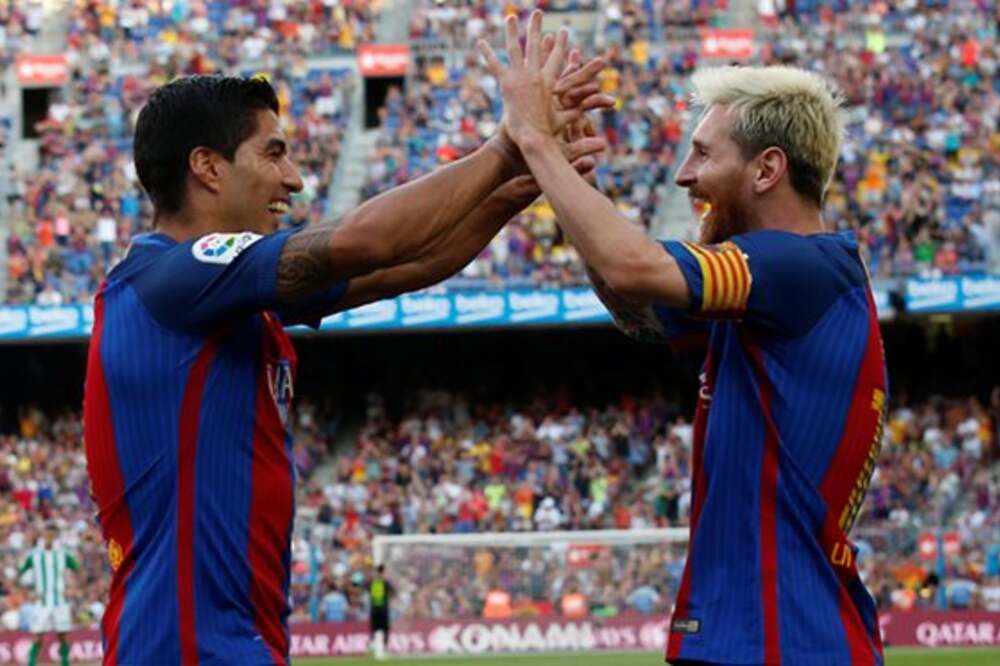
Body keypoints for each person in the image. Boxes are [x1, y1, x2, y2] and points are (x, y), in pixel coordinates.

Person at [83, 69, 611, 664]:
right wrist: (507, 146)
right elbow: (365, 240)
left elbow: (410, 264)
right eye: (273, 154)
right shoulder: (172, 277)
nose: (294, 178)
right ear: (207, 167)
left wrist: (521, 184)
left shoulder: (222, 295)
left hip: (222, 643)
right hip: (183, 648)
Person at [481, 11, 888, 665]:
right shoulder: (774, 293)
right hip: (755, 634)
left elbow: (633, 266)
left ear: (767, 169)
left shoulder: (802, 266)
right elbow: (634, 305)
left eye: (702, 153)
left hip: (785, 639)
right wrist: (576, 181)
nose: (682, 175)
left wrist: (534, 138)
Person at [19, 525, 80, 666]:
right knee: (37, 635)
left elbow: (77, 568)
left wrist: (73, 587)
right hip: (41, 602)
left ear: (56, 537)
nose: (49, 538)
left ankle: (65, 663)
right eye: (47, 535)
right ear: (43, 536)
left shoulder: (63, 554)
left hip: (60, 601)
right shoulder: (34, 555)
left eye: (52, 535)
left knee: (63, 635)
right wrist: (28, 593)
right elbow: (21, 572)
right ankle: (31, 663)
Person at [368, 565, 393, 659]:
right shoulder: (385, 583)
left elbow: (363, 588)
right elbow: (392, 591)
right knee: (385, 629)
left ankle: (374, 645)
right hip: (383, 610)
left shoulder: (372, 583)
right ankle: (383, 649)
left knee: (374, 629)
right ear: (383, 572)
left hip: (374, 609)